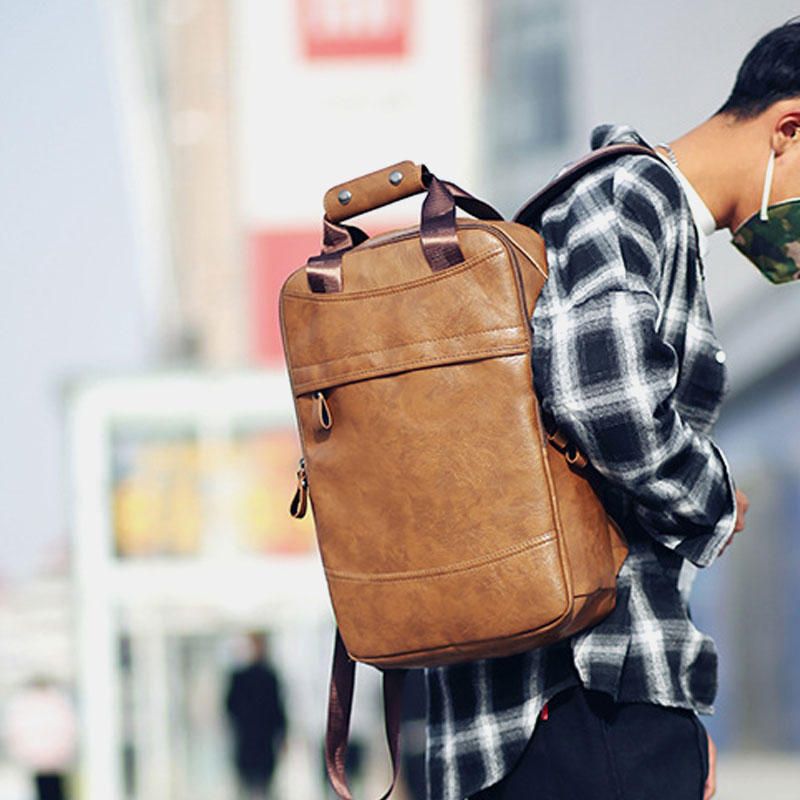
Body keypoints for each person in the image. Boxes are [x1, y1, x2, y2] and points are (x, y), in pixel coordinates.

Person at [423, 16, 800, 800]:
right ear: (788, 130)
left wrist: (675, 720)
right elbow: (609, 403)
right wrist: (717, 501)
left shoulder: (629, 206)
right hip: (579, 706)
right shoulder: (630, 196)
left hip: (584, 706)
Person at [224, 632, 288, 800]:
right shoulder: (241, 677)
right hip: (249, 741)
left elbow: (278, 710)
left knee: (263, 786)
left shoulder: (268, 676)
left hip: (262, 742)